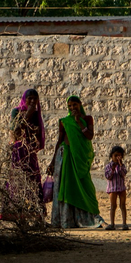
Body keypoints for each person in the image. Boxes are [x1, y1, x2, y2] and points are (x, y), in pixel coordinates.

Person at [48, 94, 104, 229]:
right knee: (66, 187)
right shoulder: (64, 121)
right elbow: (59, 140)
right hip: (65, 156)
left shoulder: (87, 119)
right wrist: (52, 161)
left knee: (86, 187)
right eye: (70, 106)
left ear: (80, 105)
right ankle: (66, 220)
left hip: (80, 159)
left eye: (75, 105)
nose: (73, 107)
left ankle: (90, 218)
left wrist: (79, 121)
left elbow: (89, 136)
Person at [6, 89, 46, 212]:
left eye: (35, 98)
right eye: (30, 98)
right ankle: (16, 212)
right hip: (18, 152)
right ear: (25, 99)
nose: (33, 101)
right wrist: (27, 114)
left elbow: (37, 135)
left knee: (32, 181)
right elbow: (15, 130)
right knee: (18, 181)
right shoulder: (16, 112)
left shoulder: (36, 115)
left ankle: (35, 213)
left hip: (30, 153)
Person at [103, 145, 130, 232]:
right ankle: (112, 224)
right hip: (112, 188)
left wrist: (120, 165)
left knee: (123, 205)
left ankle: (124, 223)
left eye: (119, 156)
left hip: (121, 188)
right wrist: (113, 169)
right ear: (111, 156)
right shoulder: (108, 166)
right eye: (115, 156)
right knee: (113, 206)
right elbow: (108, 176)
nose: (117, 158)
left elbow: (123, 174)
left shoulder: (122, 166)